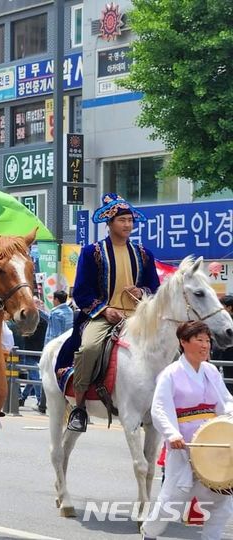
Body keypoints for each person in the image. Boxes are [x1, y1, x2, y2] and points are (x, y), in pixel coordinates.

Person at [68, 193, 160, 432]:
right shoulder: (91, 253)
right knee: (89, 348)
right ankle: (79, 408)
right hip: (103, 317)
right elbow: (81, 292)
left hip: (138, 317)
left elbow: (155, 289)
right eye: (122, 220)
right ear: (109, 223)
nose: (128, 224)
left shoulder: (143, 254)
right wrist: (105, 309)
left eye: (130, 220)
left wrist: (141, 292)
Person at [140, 320, 233, 540]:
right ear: (183, 342)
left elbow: (227, 401)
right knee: (172, 499)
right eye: (199, 340)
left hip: (211, 447)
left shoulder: (211, 371)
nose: (205, 345)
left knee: (222, 497)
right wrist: (172, 434)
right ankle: (149, 533)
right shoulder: (170, 374)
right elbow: (160, 408)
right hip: (183, 446)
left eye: (208, 341)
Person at [36, 290, 74, 414]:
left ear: (56, 300)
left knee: (47, 375)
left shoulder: (55, 313)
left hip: (54, 348)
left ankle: (42, 405)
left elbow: (55, 333)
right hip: (68, 346)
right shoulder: (69, 311)